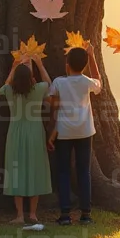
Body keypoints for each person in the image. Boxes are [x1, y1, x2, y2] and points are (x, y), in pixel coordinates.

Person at [46, 42, 101, 226]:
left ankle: (65, 214)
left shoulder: (59, 82)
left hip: (63, 132)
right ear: (84, 65)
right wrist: (92, 56)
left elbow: (52, 104)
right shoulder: (87, 82)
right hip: (85, 131)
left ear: (66, 64)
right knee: (83, 171)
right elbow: (99, 82)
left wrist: (51, 133)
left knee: (63, 171)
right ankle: (86, 214)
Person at [0, 57, 52, 224]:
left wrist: (13, 67)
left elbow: (1, 88)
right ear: (31, 78)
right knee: (35, 168)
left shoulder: (9, 91)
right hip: (35, 132)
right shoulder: (38, 89)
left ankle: (20, 215)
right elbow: (49, 83)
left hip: (15, 132)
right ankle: (33, 214)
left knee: (16, 171)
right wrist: (40, 65)